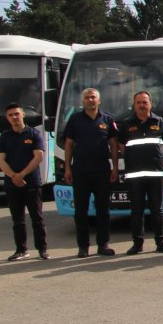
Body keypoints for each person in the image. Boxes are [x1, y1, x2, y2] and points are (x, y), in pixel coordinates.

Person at [62, 87, 119, 257]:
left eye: (93, 97)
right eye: (87, 98)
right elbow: (69, 144)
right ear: (83, 101)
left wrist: (115, 168)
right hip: (80, 172)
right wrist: (67, 168)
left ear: (99, 100)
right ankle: (83, 247)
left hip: (102, 171)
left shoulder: (107, 119)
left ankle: (103, 245)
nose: (90, 100)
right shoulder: (75, 119)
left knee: (103, 210)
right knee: (81, 211)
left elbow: (113, 145)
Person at [119, 90, 163, 255]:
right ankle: (137, 243)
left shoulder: (160, 122)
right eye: (139, 102)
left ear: (150, 104)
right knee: (136, 211)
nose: (142, 105)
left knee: (157, 210)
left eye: (145, 102)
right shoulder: (126, 124)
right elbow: (121, 147)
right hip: (134, 175)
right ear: (134, 105)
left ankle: (161, 242)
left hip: (155, 174)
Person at [0, 103, 47, 260]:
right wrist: (14, 176)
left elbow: (38, 156)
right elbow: (0, 160)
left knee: (37, 218)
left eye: (16, 114)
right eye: (10, 115)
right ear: (7, 118)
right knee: (17, 220)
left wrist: (22, 174)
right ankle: (21, 250)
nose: (14, 117)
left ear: (23, 115)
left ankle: (42, 250)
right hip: (12, 184)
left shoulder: (34, 134)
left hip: (32, 183)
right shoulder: (5, 136)